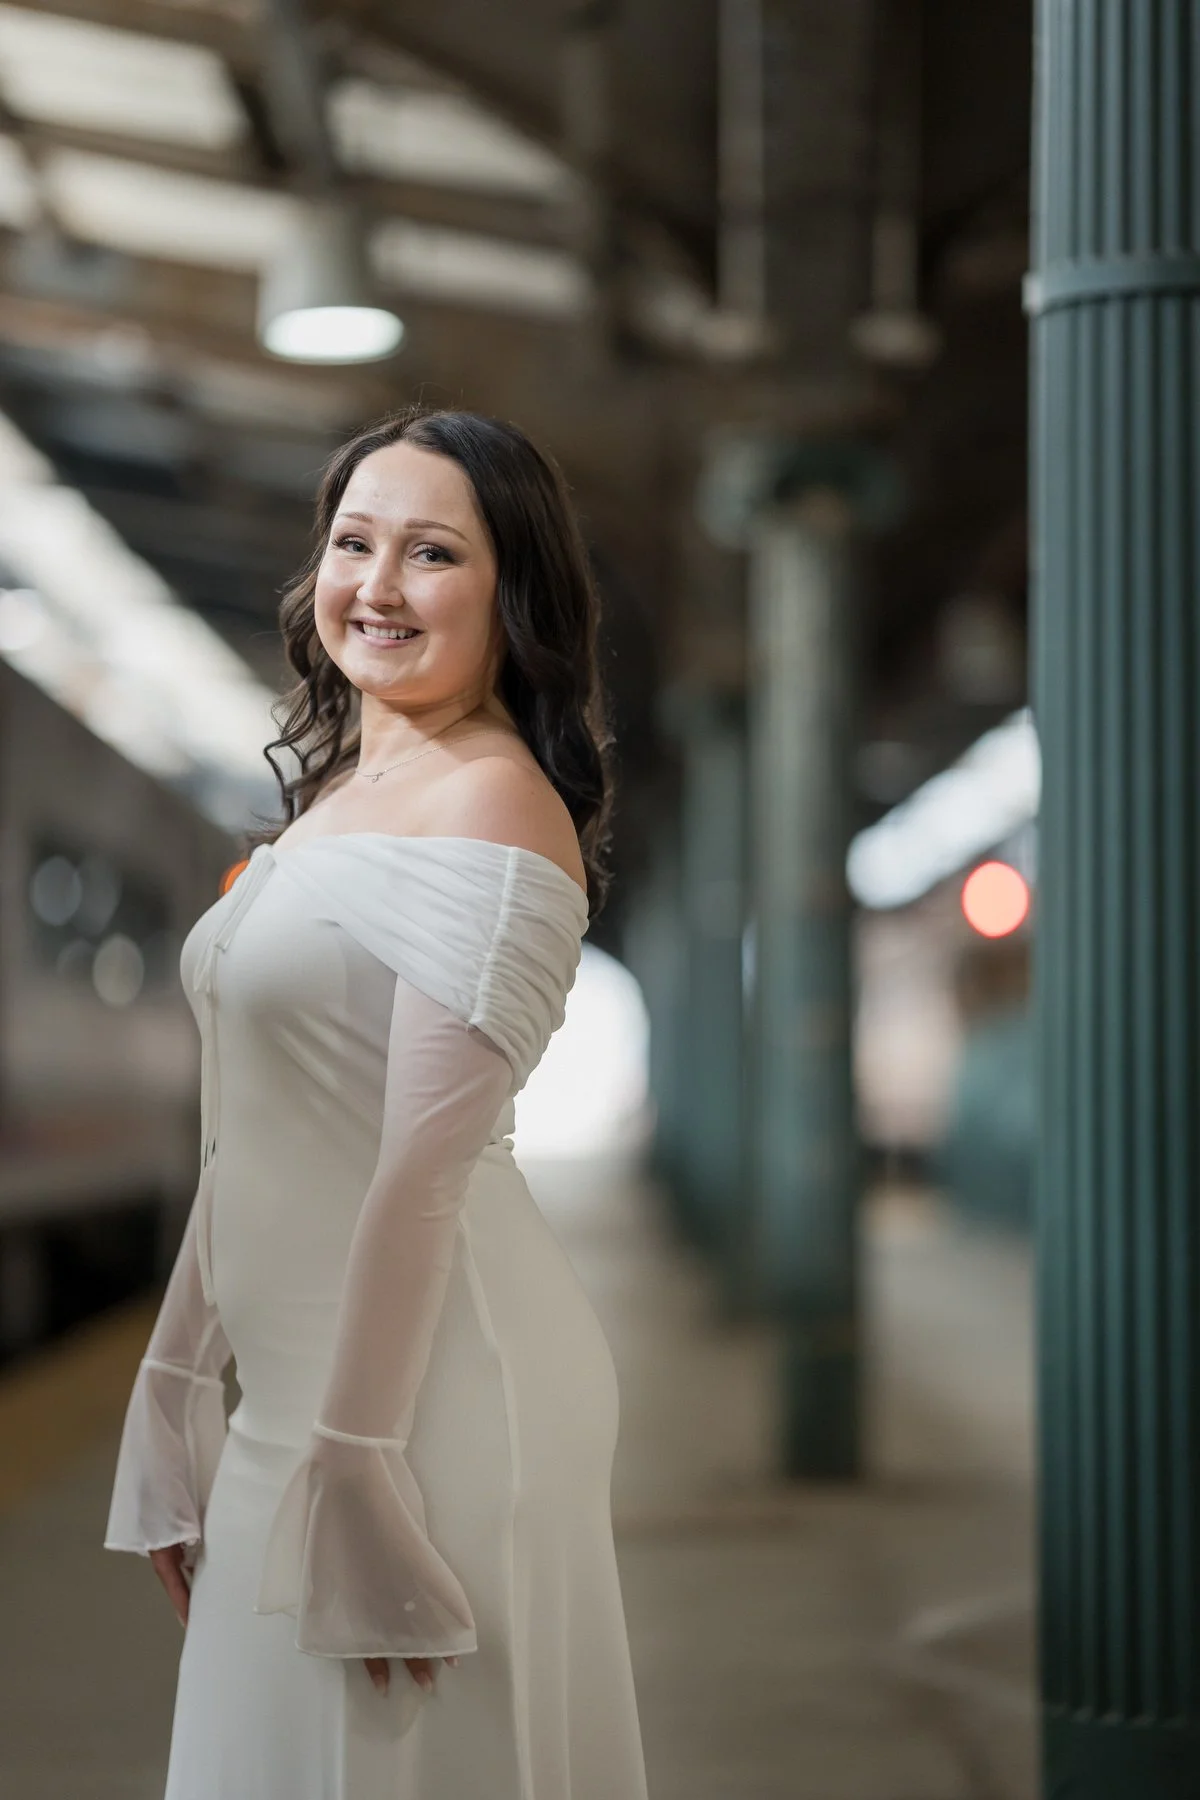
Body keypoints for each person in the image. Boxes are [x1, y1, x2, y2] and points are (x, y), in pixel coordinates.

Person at [104, 406, 650, 1800]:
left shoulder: (494, 805)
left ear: (510, 593)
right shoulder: (338, 800)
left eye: (432, 553)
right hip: (301, 1387)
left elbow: (419, 1162)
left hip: (429, 1387)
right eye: (354, 543)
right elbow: (255, 1131)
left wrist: (355, 1456)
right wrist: (174, 1379)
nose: (378, 586)